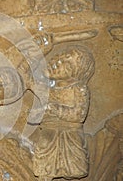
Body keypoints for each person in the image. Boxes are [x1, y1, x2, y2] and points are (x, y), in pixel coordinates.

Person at [33, 45, 95, 180]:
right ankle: (45, 174)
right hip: (49, 128)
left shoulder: (79, 89)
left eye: (66, 65)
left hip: (70, 131)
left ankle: (71, 172)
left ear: (75, 75)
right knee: (44, 143)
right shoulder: (47, 88)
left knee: (73, 150)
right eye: (59, 57)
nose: (57, 62)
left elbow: (79, 115)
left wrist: (56, 109)